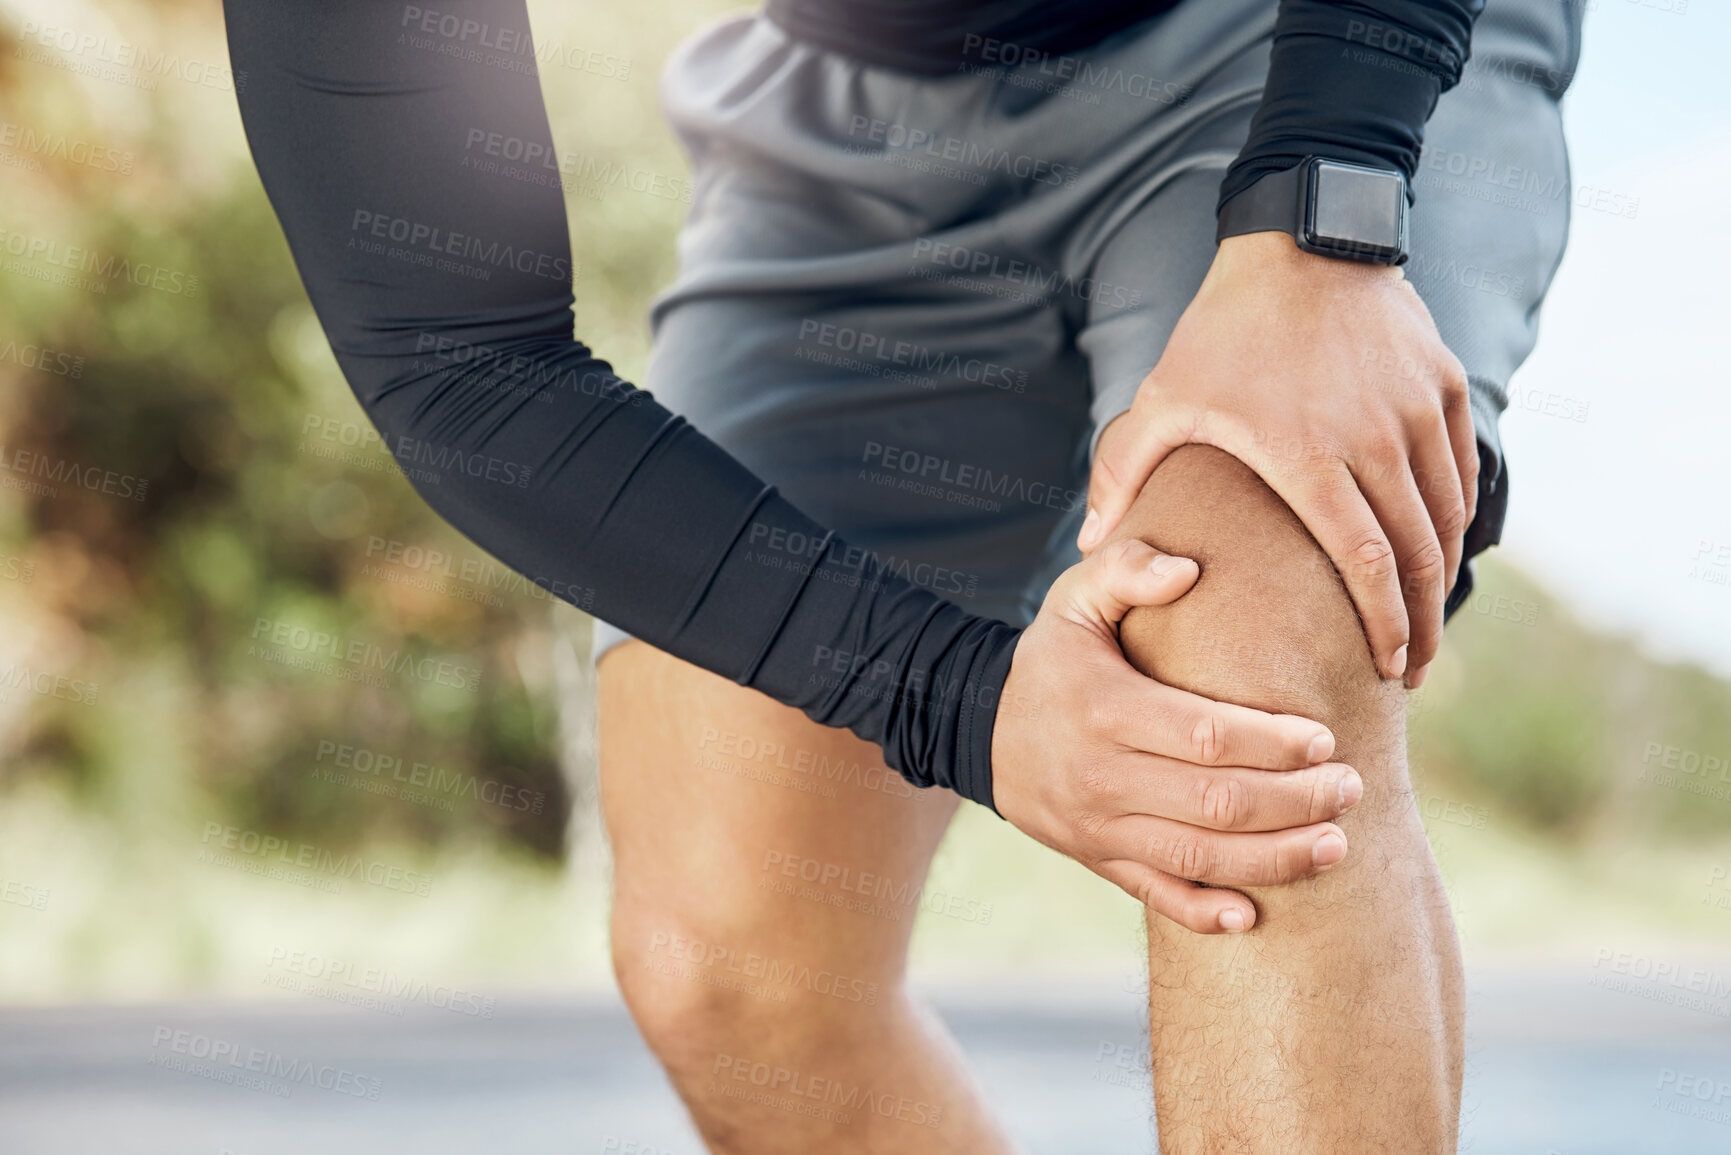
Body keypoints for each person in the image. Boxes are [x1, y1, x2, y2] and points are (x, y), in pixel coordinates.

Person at [225, 0, 1579, 1149]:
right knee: (730, 962)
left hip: (1299, 45)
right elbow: (457, 366)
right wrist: (966, 704)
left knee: (1239, 678)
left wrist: (1327, 206)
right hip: (857, 104)